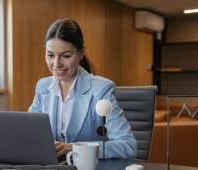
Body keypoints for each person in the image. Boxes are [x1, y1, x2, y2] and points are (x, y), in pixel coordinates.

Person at [28, 18, 136, 159]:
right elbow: (29, 132)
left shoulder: (101, 89)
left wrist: (73, 148)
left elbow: (128, 145)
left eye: (66, 56)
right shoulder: (43, 87)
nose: (56, 63)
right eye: (50, 55)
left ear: (81, 53)